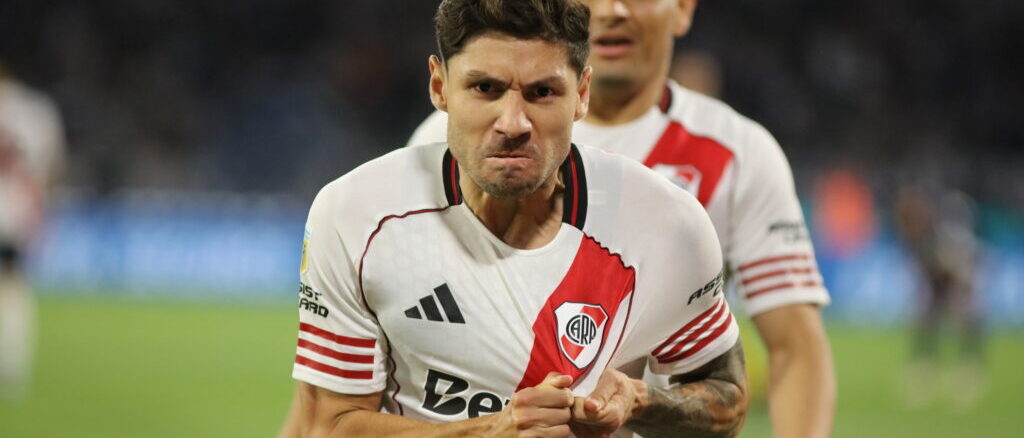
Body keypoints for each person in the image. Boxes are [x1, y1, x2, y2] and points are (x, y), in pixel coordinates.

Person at [279, 0, 748, 437]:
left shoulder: (666, 226)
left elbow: (726, 400)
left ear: (581, 94)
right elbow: (330, 425)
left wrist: (640, 399)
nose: (513, 123)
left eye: (543, 92)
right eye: (485, 88)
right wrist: (489, 431)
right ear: (439, 86)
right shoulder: (359, 216)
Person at [408, 1, 836, 437]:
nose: (613, 10)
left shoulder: (739, 154)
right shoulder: (450, 139)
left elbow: (794, 348)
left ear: (682, 9)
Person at [0, 64, 65, 401]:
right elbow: (51, 165)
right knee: (13, 286)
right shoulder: (37, 110)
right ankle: (13, 366)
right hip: (17, 210)